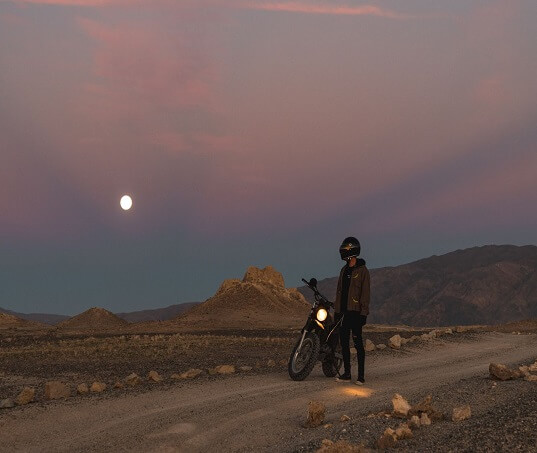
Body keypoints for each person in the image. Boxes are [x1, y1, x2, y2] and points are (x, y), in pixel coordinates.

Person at [334, 237, 370, 385]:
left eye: (345, 249)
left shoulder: (363, 271)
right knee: (343, 343)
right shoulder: (344, 270)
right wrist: (336, 312)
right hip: (343, 313)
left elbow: (365, 293)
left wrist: (363, 314)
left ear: (351, 250)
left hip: (355, 313)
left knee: (357, 344)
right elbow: (339, 291)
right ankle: (347, 373)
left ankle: (361, 376)